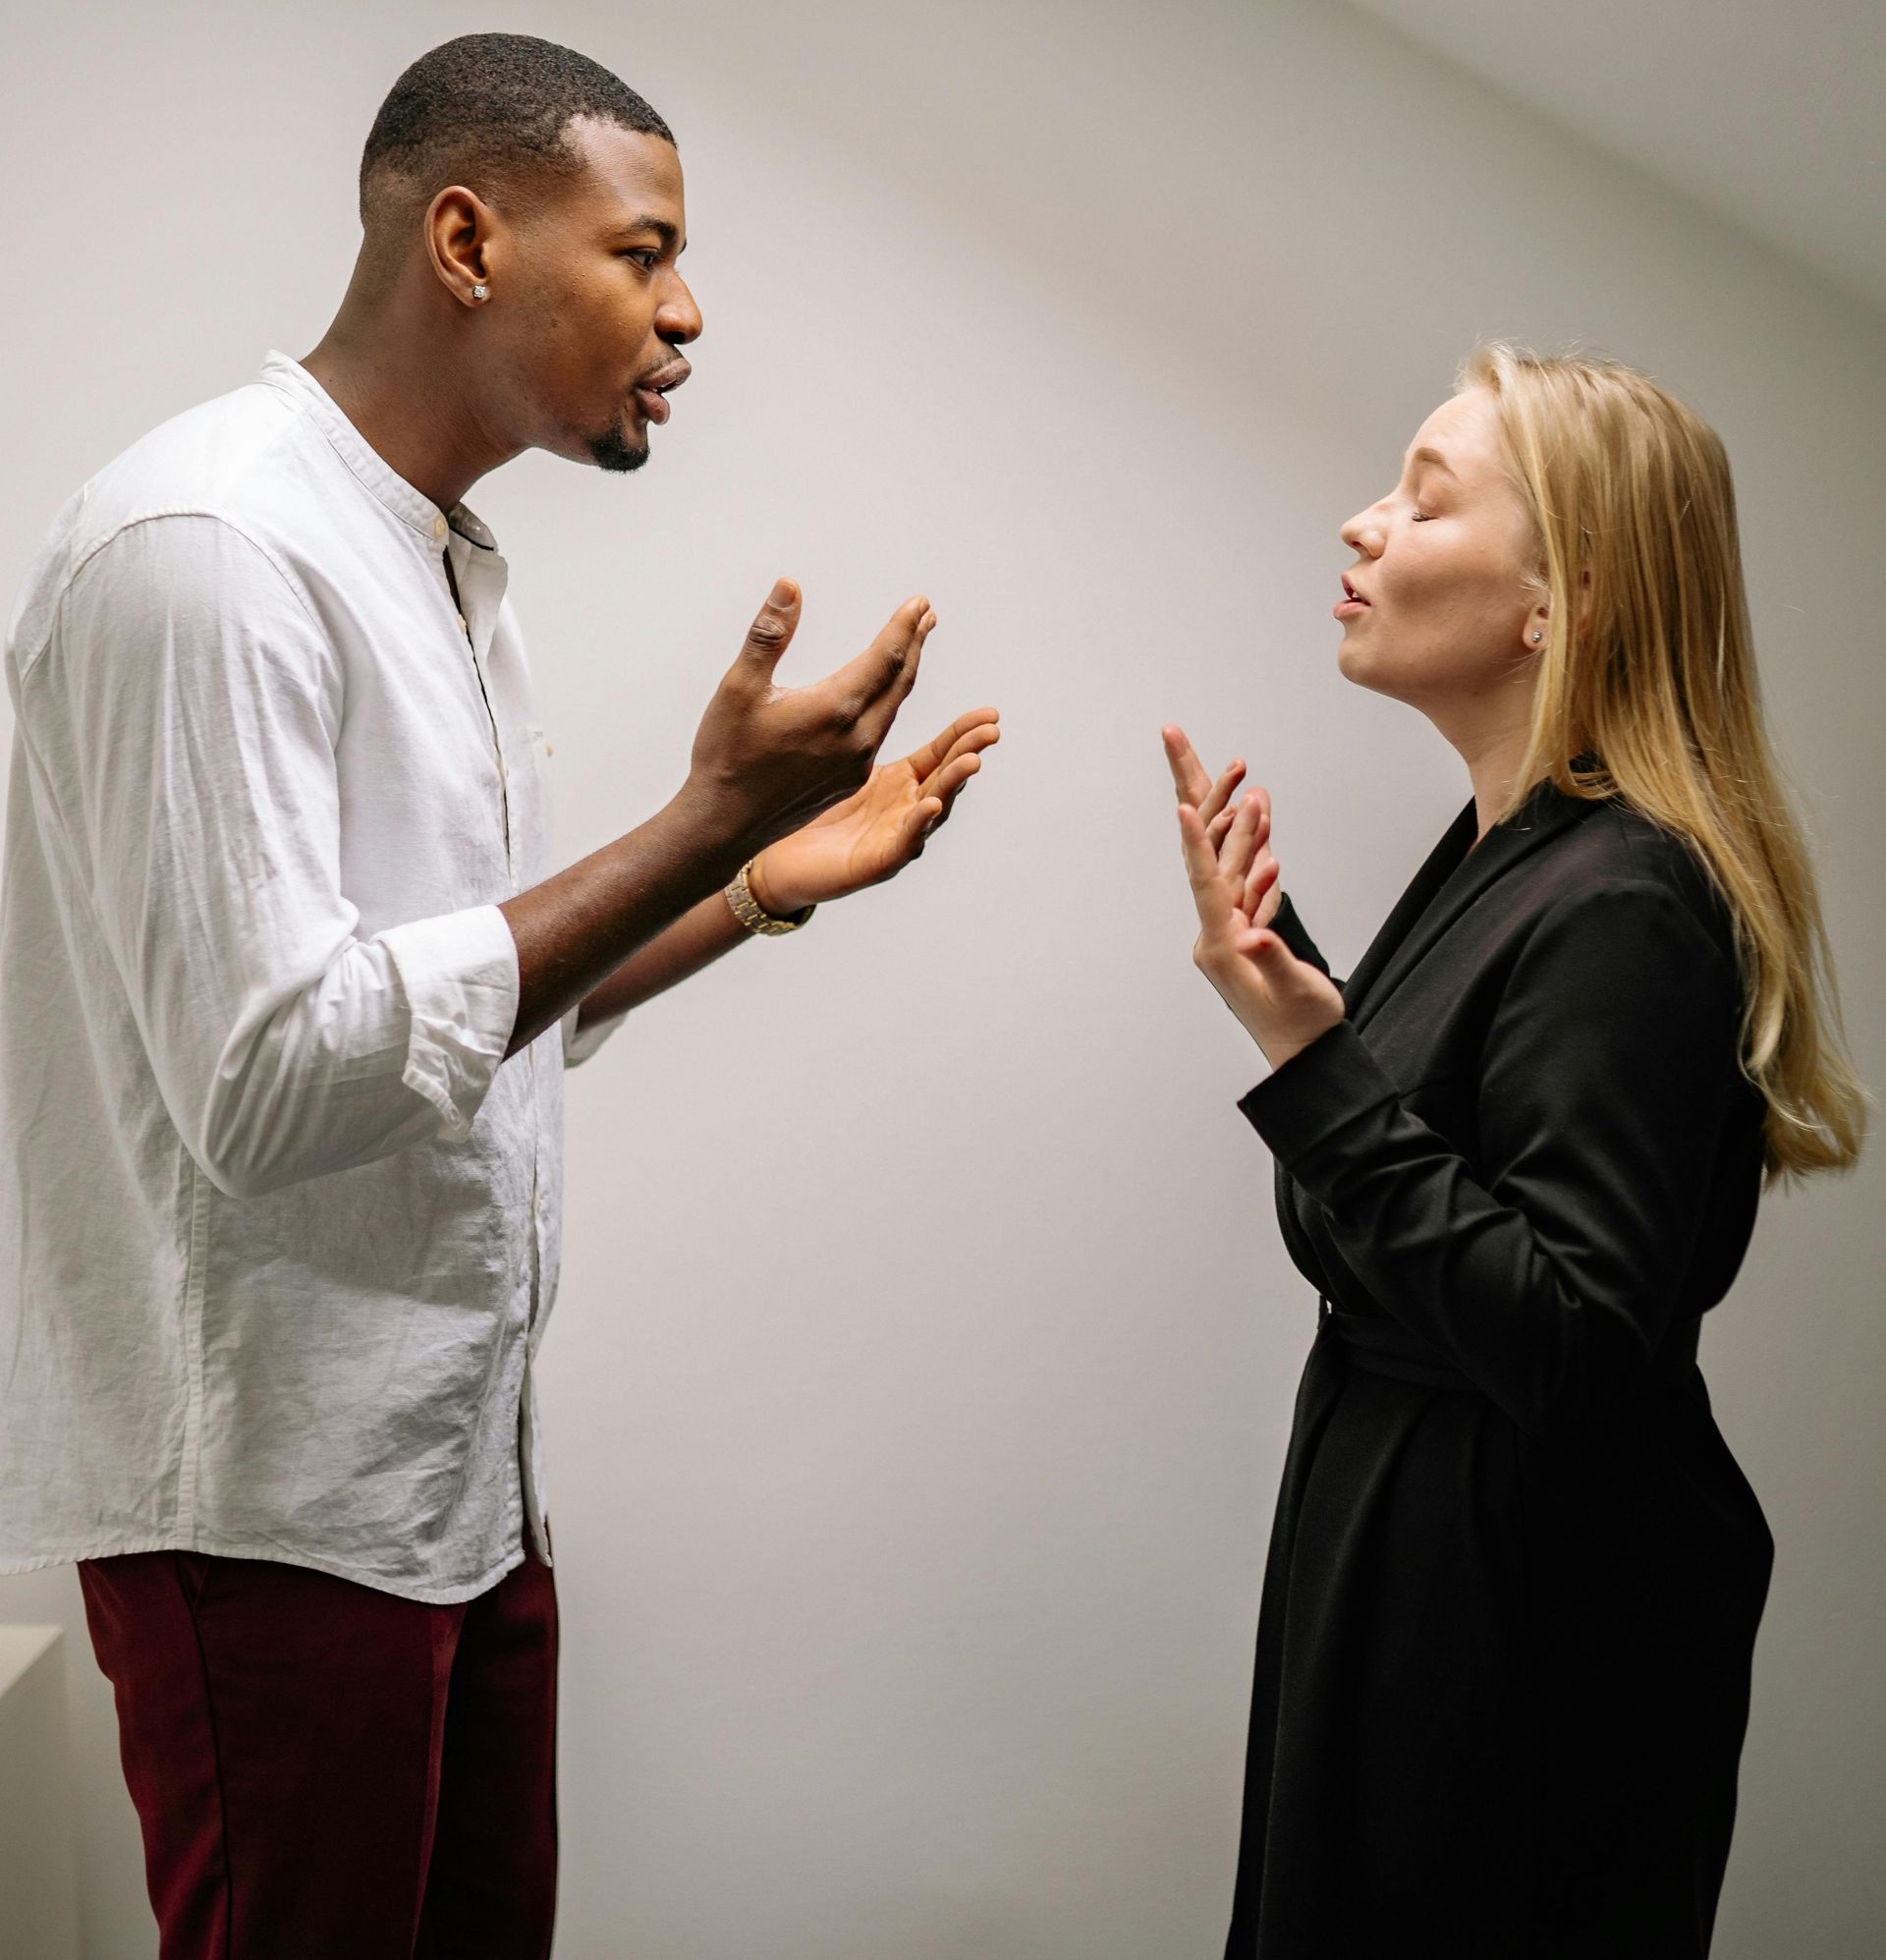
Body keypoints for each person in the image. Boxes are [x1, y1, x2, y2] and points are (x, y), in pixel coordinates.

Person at [0, 32, 998, 1957]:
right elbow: (275, 1078)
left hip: (453, 1493)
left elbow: (454, 1003)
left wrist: (755, 877)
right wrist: (705, 813)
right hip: (268, 1511)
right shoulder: (208, 547)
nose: (687, 310)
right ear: (466, 237)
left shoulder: (442, 564)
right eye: (646, 250)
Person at [1164, 345, 1866, 1958]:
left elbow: (1570, 1333)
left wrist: (1305, 1055)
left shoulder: (1624, 895)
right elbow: (1450, 1155)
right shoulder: (1524, 852)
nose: (1361, 527)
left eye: (1423, 498)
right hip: (1422, 1566)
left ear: (1564, 600)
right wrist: (1302, 996)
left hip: (1515, 1630)